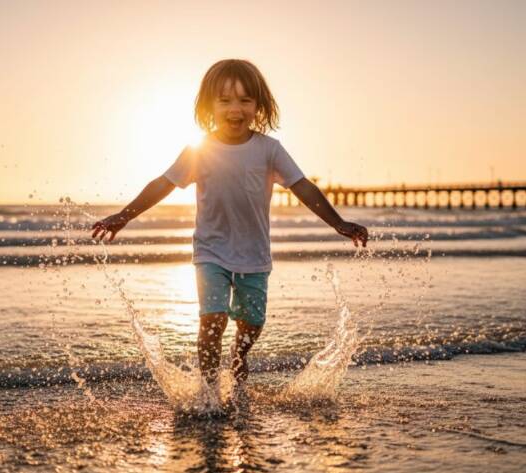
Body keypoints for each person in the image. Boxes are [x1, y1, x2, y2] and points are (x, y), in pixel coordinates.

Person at [91, 59, 367, 391]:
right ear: (209, 105)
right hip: (210, 252)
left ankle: (239, 354)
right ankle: (208, 391)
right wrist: (123, 216)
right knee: (212, 319)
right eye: (224, 100)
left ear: (258, 106)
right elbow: (163, 183)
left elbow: (302, 186)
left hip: (253, 255)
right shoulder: (199, 150)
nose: (235, 109)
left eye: (244, 100)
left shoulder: (269, 150)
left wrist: (338, 222)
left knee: (252, 324)